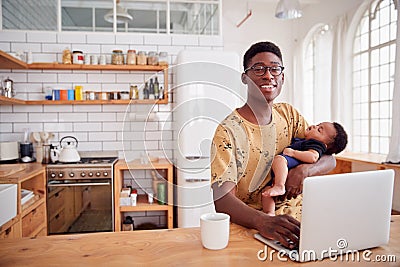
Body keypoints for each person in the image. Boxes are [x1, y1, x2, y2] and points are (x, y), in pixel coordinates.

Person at [210, 41, 336, 249]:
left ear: (282, 77)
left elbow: (329, 158)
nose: (268, 76)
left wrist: (305, 170)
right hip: (257, 230)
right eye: (258, 69)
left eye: (275, 69)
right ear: (245, 77)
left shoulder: (289, 115)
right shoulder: (227, 131)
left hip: (307, 225)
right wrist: (263, 221)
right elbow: (222, 200)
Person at [262, 122, 348, 215]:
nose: (315, 126)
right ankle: (269, 212)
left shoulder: (316, 144)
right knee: (266, 191)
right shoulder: (305, 140)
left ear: (324, 144)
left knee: (279, 159)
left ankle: (279, 185)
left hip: (293, 163)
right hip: (283, 171)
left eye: (319, 130)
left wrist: (293, 153)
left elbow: (313, 157)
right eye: (318, 125)